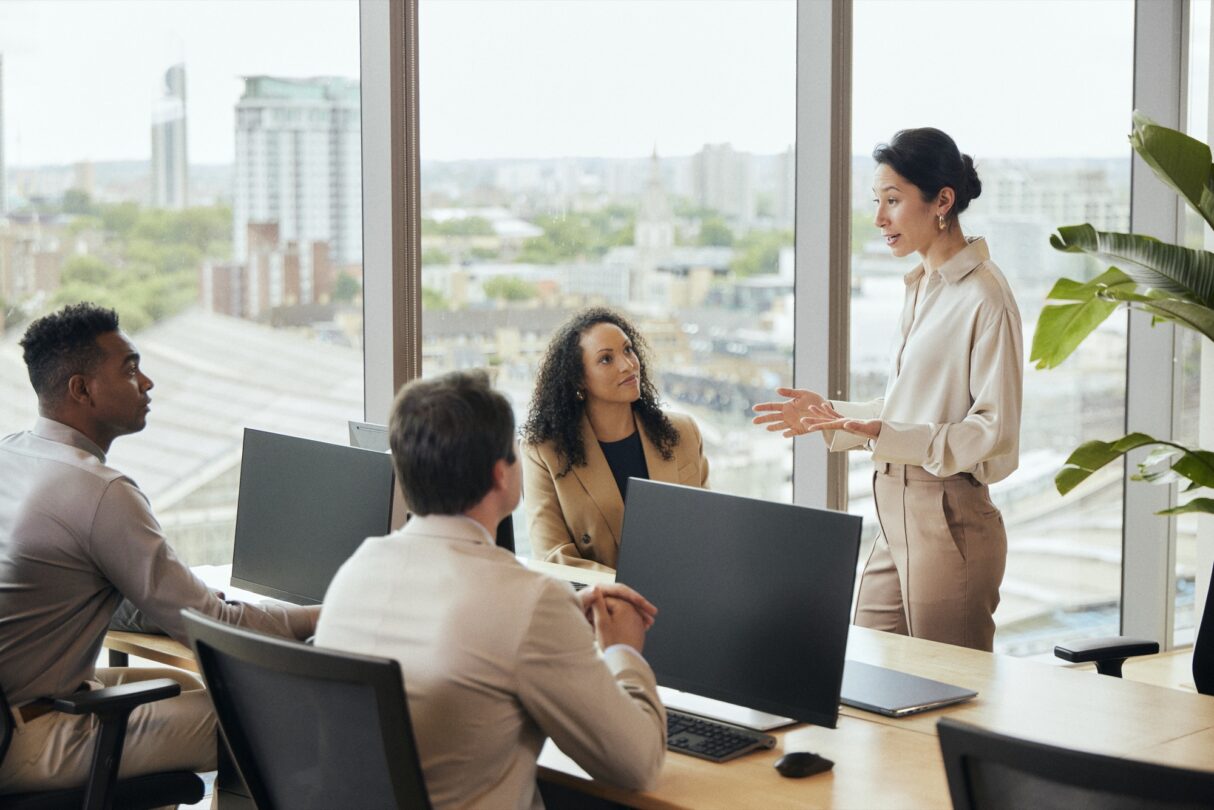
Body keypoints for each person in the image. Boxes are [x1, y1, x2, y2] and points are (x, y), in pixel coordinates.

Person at [0, 303, 319, 793]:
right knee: (276, 720)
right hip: (28, 738)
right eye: (130, 369)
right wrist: (321, 615)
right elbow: (212, 629)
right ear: (80, 389)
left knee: (190, 688)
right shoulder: (99, 491)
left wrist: (178, 597)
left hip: (21, 705)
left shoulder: (13, 453)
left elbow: (112, 599)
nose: (146, 383)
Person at [315, 370, 666, 809]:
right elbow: (638, 765)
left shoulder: (357, 569)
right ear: (502, 475)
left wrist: (559, 628)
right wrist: (624, 652)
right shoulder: (528, 602)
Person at [753, 128, 1023, 652]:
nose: (879, 219)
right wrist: (833, 415)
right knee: (871, 673)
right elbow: (911, 410)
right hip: (893, 515)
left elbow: (992, 432)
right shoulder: (922, 285)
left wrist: (885, 433)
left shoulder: (986, 297)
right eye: (877, 202)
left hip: (949, 519)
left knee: (948, 699)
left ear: (942, 200)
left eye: (893, 201)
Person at [522, 307, 709, 571]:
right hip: (601, 607)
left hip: (686, 598)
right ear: (578, 379)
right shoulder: (544, 452)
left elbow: (709, 528)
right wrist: (630, 590)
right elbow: (552, 555)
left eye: (628, 349)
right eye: (606, 359)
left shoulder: (683, 431)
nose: (628, 365)